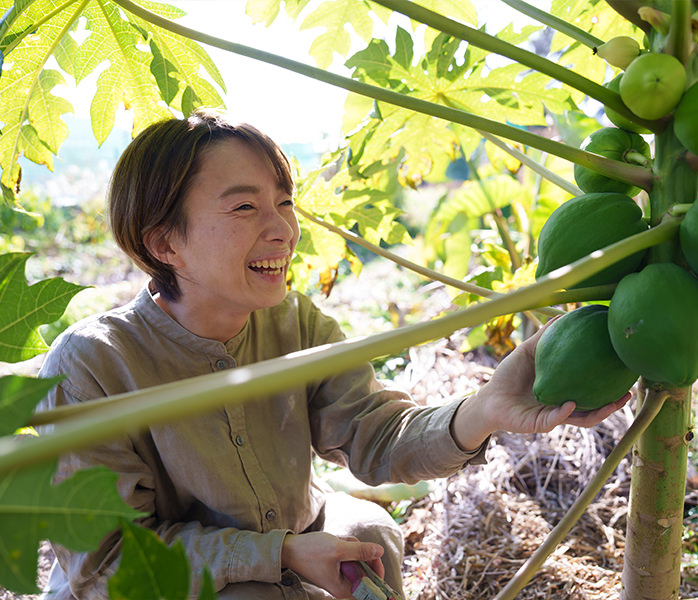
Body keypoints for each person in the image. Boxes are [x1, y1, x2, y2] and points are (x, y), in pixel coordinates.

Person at [38, 109, 629, 600]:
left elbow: (377, 436)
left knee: (370, 530)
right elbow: (107, 559)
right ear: (165, 242)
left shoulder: (298, 324)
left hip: (296, 530)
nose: (283, 230)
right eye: (245, 208)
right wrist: (279, 554)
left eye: (284, 201)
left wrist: (485, 410)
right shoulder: (92, 364)